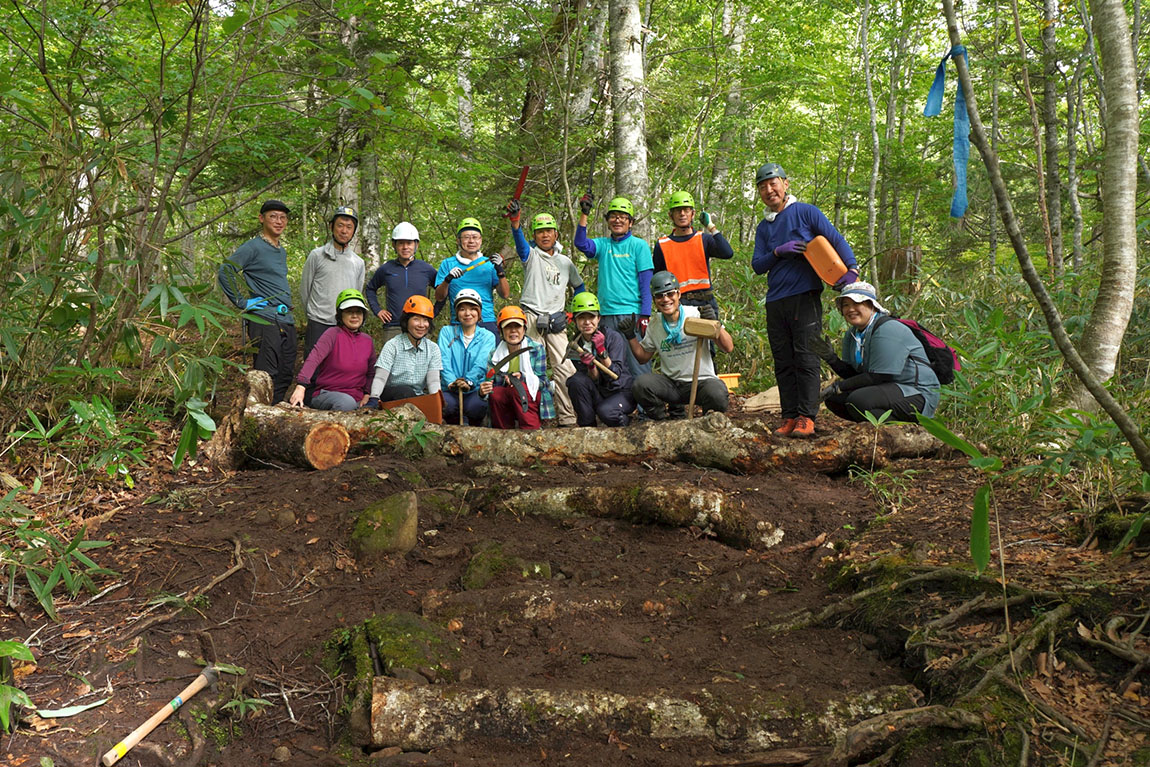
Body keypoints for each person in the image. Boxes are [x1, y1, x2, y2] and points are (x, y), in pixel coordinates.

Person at [750, 162, 859, 439]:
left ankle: (806, 417)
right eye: (763, 187)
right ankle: (788, 416)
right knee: (783, 359)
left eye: (773, 183)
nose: (768, 190)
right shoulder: (764, 227)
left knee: (806, 356)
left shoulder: (806, 212)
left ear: (786, 184)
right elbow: (757, 264)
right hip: (776, 300)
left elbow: (834, 238)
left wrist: (852, 268)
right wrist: (778, 252)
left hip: (805, 296)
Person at [814, 281, 941, 423]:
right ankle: (879, 431)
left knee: (859, 400)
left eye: (857, 303)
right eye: (845, 305)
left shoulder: (887, 328)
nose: (850, 309)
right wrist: (831, 358)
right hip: (888, 388)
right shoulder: (853, 335)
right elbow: (854, 376)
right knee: (835, 400)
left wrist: (837, 386)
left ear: (871, 305)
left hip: (917, 393)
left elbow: (880, 376)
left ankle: (903, 429)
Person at [507, 206, 587, 427]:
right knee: (529, 369)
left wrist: (572, 314)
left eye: (549, 231)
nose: (544, 235)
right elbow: (521, 246)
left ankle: (568, 418)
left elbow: (579, 287)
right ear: (534, 235)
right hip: (532, 318)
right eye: (540, 231)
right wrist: (516, 222)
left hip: (557, 321)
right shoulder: (531, 256)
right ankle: (534, 418)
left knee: (565, 370)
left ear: (556, 234)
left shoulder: (565, 262)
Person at [619, 271, 733, 420]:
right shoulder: (655, 323)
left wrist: (714, 324)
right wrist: (630, 336)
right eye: (659, 296)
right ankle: (663, 422)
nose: (665, 299)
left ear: (678, 294)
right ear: (654, 300)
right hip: (672, 384)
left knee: (717, 393)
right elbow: (642, 357)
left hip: (701, 382)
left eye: (670, 294)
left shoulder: (697, 314)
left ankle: (707, 423)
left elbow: (728, 347)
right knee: (641, 384)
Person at [217, 199, 297, 403]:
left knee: (286, 373)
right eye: (273, 216)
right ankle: (258, 415)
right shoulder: (252, 246)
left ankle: (273, 414)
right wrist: (242, 302)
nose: (278, 221)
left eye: (282, 217)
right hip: (264, 319)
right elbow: (226, 270)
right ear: (262, 219)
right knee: (265, 374)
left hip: (285, 319)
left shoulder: (281, 250)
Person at [572, 194, 654, 380]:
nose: (618, 220)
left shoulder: (639, 246)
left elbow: (646, 283)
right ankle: (616, 406)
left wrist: (645, 315)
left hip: (631, 315)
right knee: (609, 364)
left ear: (630, 222)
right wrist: (585, 213)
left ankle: (644, 408)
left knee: (638, 363)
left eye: (623, 217)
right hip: (606, 316)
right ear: (608, 220)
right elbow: (581, 243)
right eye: (613, 216)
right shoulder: (603, 245)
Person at [288, 289, 374, 411]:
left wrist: (368, 394)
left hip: (358, 397)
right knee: (346, 403)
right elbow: (314, 358)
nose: (354, 316)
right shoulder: (332, 334)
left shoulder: (367, 340)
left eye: (358, 312)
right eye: (349, 311)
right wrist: (301, 385)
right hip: (327, 394)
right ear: (341, 315)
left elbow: (371, 372)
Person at [652, 191, 733, 318]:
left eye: (686, 210)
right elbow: (657, 279)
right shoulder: (662, 244)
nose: (682, 214)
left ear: (693, 214)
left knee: (713, 337)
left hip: (705, 303)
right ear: (671, 215)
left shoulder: (703, 239)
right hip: (678, 304)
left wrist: (710, 226)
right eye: (678, 210)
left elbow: (727, 252)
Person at [299, 206, 365, 356]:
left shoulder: (358, 262)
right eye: (340, 225)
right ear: (331, 226)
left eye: (349, 227)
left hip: (345, 325)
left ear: (354, 231)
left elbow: (357, 292)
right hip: (318, 323)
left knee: (341, 366)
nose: (344, 231)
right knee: (314, 368)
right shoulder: (317, 256)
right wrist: (312, 315)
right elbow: (305, 290)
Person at [565, 292, 635, 427]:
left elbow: (615, 375)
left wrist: (602, 351)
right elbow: (593, 380)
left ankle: (623, 422)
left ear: (599, 318)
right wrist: (591, 367)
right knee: (576, 381)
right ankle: (588, 427)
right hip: (599, 392)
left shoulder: (613, 337)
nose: (587, 322)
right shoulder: (575, 346)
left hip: (620, 391)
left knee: (607, 412)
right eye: (582, 318)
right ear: (575, 321)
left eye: (591, 317)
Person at [479, 306, 554, 430]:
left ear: (524, 329)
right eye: (508, 327)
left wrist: (523, 378)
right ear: (501, 331)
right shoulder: (495, 355)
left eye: (517, 327)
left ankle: (531, 430)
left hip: (531, 397)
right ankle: (503, 433)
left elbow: (543, 383)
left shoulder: (536, 349)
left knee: (518, 388)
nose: (513, 331)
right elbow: (492, 384)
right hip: (508, 399)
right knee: (496, 394)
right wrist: (483, 391)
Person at [365, 221, 438, 344]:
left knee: (421, 362)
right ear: (394, 245)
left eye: (409, 243)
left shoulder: (426, 269)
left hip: (420, 327)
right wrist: (378, 310)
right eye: (401, 243)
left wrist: (432, 313)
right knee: (390, 363)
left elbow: (442, 291)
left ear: (416, 245)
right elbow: (370, 288)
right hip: (393, 327)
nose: (405, 247)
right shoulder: (386, 268)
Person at [435, 218, 510, 335]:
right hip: (458, 321)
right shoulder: (447, 264)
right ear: (458, 240)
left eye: (475, 237)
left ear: (480, 240)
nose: (471, 241)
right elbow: (439, 297)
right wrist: (447, 280)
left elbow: (505, 294)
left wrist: (500, 271)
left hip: (486, 321)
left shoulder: (490, 263)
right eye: (466, 237)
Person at [363, 295, 442, 407]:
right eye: (416, 319)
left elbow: (433, 381)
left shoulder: (433, 349)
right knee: (405, 392)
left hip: (417, 396)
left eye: (425, 320)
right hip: (392, 394)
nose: (421, 325)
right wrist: (374, 397)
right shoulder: (393, 345)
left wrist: (436, 401)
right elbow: (380, 377)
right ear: (406, 321)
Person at [439, 288, 497, 426]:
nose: (467, 313)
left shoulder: (487, 336)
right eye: (462, 309)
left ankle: (476, 427)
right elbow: (443, 360)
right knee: (447, 405)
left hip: (475, 388)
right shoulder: (447, 332)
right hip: (450, 388)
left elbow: (482, 363)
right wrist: (452, 382)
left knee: (475, 407)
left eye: (472, 309)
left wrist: (469, 382)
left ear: (479, 312)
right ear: (457, 312)